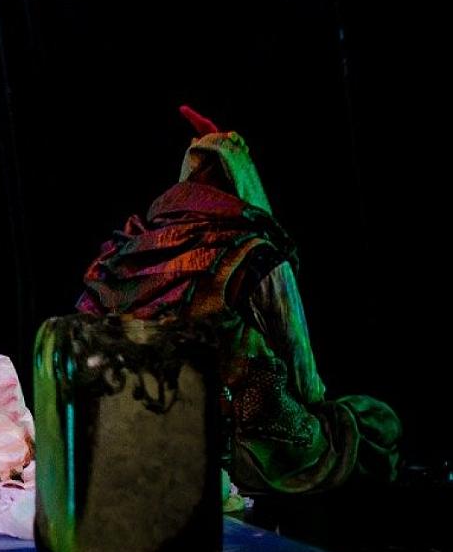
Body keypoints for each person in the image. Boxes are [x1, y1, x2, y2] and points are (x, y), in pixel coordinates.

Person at [75, 106, 401, 493]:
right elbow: (306, 380)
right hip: (246, 454)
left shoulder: (128, 253)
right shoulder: (254, 256)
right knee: (374, 423)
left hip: (142, 446)